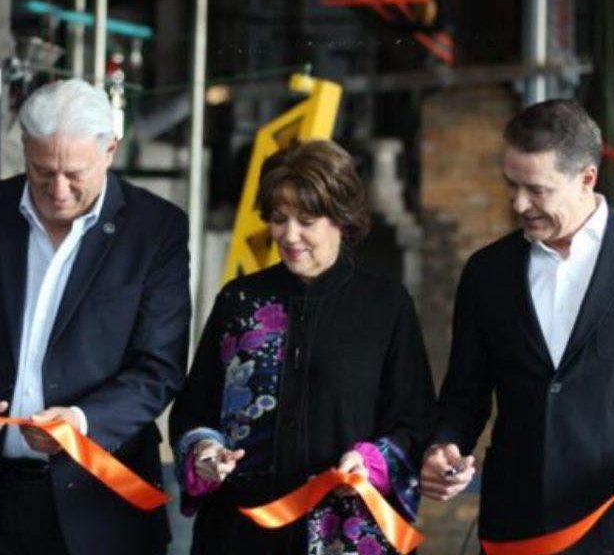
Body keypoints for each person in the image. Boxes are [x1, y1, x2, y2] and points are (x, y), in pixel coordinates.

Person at [420, 99, 614, 553]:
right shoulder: (486, 273)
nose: (519, 203)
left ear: (587, 178)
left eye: (537, 190)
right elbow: (464, 396)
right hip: (515, 532)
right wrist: (443, 446)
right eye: (511, 185)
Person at [0, 79, 190, 555]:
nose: (57, 190)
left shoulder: (154, 230)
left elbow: (159, 369)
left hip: (100, 509)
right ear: (24, 151)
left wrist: (81, 421)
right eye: (41, 171)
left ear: (110, 150)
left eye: (74, 173)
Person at [169, 140, 435, 555]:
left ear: (341, 220)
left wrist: (370, 461)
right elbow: (194, 408)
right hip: (240, 533)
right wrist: (204, 449)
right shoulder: (240, 301)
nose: (289, 235)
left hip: (345, 533)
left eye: (306, 220)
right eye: (279, 219)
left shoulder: (385, 305)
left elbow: (414, 420)